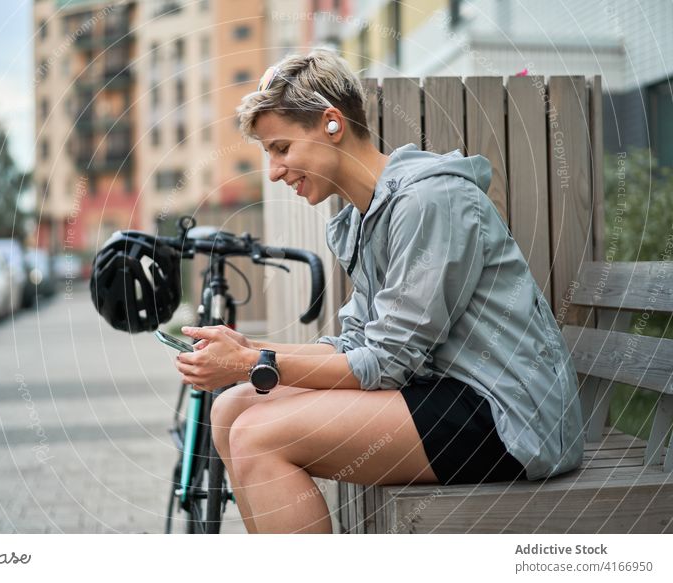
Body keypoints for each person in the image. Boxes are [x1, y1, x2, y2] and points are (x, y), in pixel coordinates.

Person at [174, 49, 584, 534]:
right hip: (441, 391)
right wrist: (250, 352)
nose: (274, 171)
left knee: (259, 436)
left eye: (281, 148)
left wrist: (253, 362)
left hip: (509, 415)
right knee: (230, 409)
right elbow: (357, 345)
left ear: (331, 122)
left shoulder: (430, 202)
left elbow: (386, 362)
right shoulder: (363, 217)